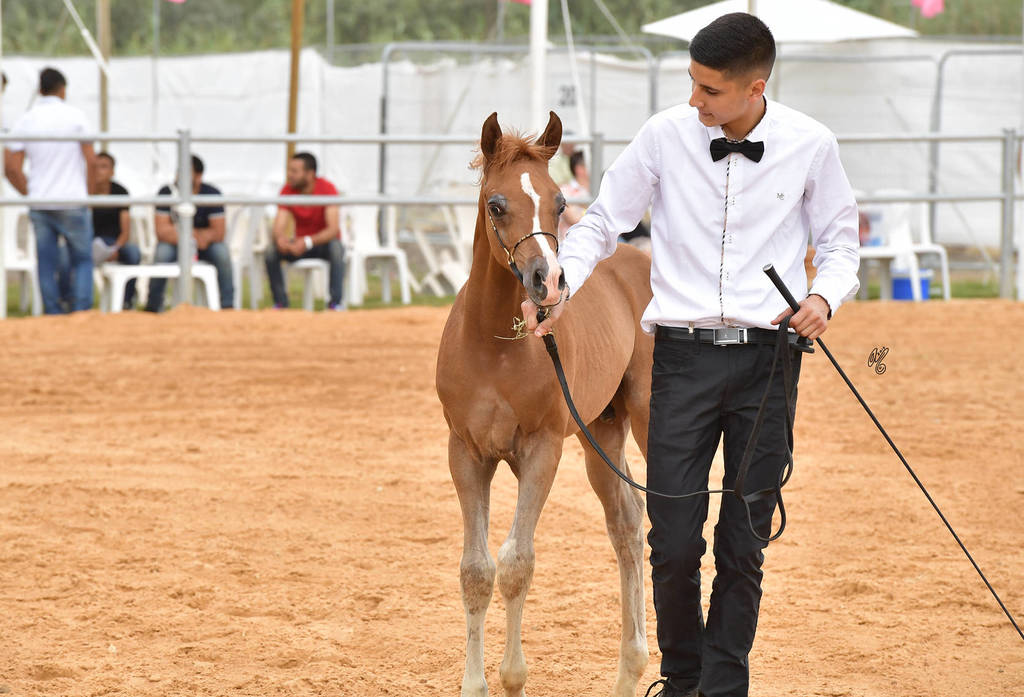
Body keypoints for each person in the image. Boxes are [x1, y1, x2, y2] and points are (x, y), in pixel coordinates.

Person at [524, 13, 859, 697]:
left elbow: (841, 241)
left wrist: (824, 297)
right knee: (673, 540)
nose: (694, 103)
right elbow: (600, 224)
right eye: (691, 85)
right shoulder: (663, 137)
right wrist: (559, 280)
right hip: (679, 359)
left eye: (708, 91)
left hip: (770, 360)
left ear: (753, 87)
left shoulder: (811, 145)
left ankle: (722, 684)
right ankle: (681, 678)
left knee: (744, 537)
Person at [4, 67, 96, 314]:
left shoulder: (27, 119)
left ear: (40, 89)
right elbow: (92, 161)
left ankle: (52, 313)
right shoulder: (76, 116)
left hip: (41, 202)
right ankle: (81, 311)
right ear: (63, 89)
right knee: (83, 260)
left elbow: (10, 166)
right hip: (73, 200)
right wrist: (89, 193)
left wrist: (29, 192)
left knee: (46, 261)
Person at [146, 154, 233, 312]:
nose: (180, 176)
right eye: (180, 171)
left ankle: (227, 306)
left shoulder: (211, 194)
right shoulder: (167, 192)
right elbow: (162, 231)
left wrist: (197, 237)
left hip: (204, 246)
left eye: (187, 172)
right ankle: (153, 306)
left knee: (221, 251)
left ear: (198, 176)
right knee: (162, 252)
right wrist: (191, 236)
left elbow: (219, 232)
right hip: (176, 244)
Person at [264, 152, 345, 310]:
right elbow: (279, 225)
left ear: (310, 174)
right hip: (299, 243)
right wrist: (280, 239)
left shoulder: (327, 188)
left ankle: (335, 304)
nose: (290, 175)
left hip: (321, 244)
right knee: (271, 251)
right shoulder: (287, 190)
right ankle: (281, 303)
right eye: (289, 170)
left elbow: (333, 230)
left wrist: (307, 241)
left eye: (294, 171)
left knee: (337, 247)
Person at [89, 152, 141, 307]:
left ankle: (127, 299)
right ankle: (70, 302)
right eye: (95, 167)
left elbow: (126, 230)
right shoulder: (84, 192)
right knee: (65, 256)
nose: (98, 171)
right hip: (88, 241)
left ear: (112, 172)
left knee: (133, 253)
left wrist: (115, 248)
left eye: (103, 167)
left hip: (114, 241)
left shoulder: (120, 192)